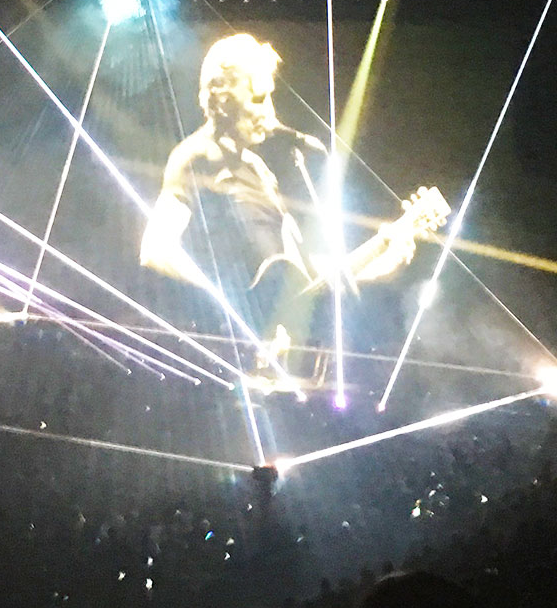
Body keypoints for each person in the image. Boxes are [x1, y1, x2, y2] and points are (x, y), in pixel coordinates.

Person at [140, 33, 438, 383]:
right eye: (258, 98)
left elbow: (305, 283)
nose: (270, 112)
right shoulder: (194, 158)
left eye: (270, 97)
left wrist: (382, 262)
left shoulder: (261, 171)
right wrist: (227, 307)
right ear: (221, 101)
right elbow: (155, 250)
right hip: (230, 362)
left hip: (290, 370)